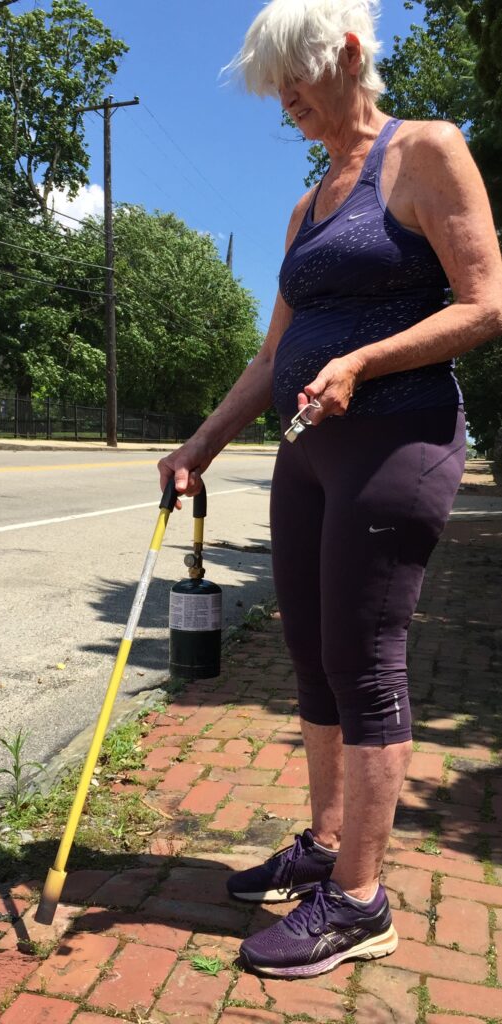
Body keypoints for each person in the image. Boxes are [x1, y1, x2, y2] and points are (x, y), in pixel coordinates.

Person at [158, 0, 502, 979]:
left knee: (364, 657)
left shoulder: (424, 150)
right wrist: (201, 444)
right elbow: (272, 355)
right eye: (278, 94)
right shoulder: (307, 206)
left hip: (396, 441)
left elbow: (485, 304)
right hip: (305, 453)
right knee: (310, 654)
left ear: (346, 52)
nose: (288, 106)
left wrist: (362, 359)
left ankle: (358, 900)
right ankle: (320, 847)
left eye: (295, 84)